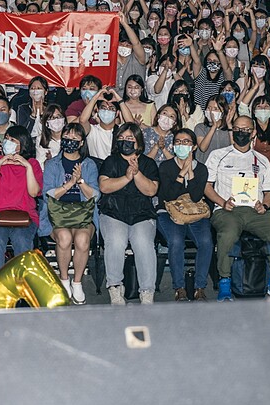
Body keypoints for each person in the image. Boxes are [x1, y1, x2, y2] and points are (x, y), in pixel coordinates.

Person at [205, 115, 270, 302]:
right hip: (226, 210)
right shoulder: (218, 155)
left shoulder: (262, 160)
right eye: (237, 129)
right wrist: (222, 202)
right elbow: (207, 186)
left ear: (253, 133)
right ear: (232, 131)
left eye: (245, 130)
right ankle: (225, 280)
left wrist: (264, 205)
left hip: (254, 211)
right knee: (228, 234)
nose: (241, 133)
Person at [98, 122, 159, 304]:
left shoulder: (148, 163)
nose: (125, 141)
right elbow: (104, 187)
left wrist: (136, 173)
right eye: (121, 138)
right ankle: (115, 288)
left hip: (142, 213)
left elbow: (151, 190)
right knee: (116, 241)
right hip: (113, 212)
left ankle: (147, 292)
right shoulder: (110, 161)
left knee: (143, 243)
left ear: (138, 142)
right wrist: (126, 177)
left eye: (130, 138)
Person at [43, 123, 99, 304]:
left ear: (81, 142)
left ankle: (77, 282)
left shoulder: (89, 164)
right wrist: (69, 184)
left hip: (83, 214)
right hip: (58, 214)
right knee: (65, 238)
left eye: (75, 138)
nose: (70, 141)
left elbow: (95, 195)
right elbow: (48, 194)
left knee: (82, 240)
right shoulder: (52, 164)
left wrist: (80, 181)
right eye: (67, 137)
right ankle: (64, 279)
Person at [156, 128, 212, 301]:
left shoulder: (201, 169)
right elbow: (168, 196)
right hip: (168, 212)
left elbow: (195, 197)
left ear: (194, 147)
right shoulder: (165, 166)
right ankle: (179, 287)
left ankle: (199, 287)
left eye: (186, 142)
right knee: (176, 241)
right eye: (178, 142)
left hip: (194, 213)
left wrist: (191, 173)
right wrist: (181, 174)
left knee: (206, 242)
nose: (182, 145)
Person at [0, 125, 43, 272]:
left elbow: (34, 192)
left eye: (13, 140)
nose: (8, 142)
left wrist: (27, 166)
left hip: (25, 214)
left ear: (23, 144)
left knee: (22, 240)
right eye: (7, 138)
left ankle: (22, 280)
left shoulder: (33, 164)